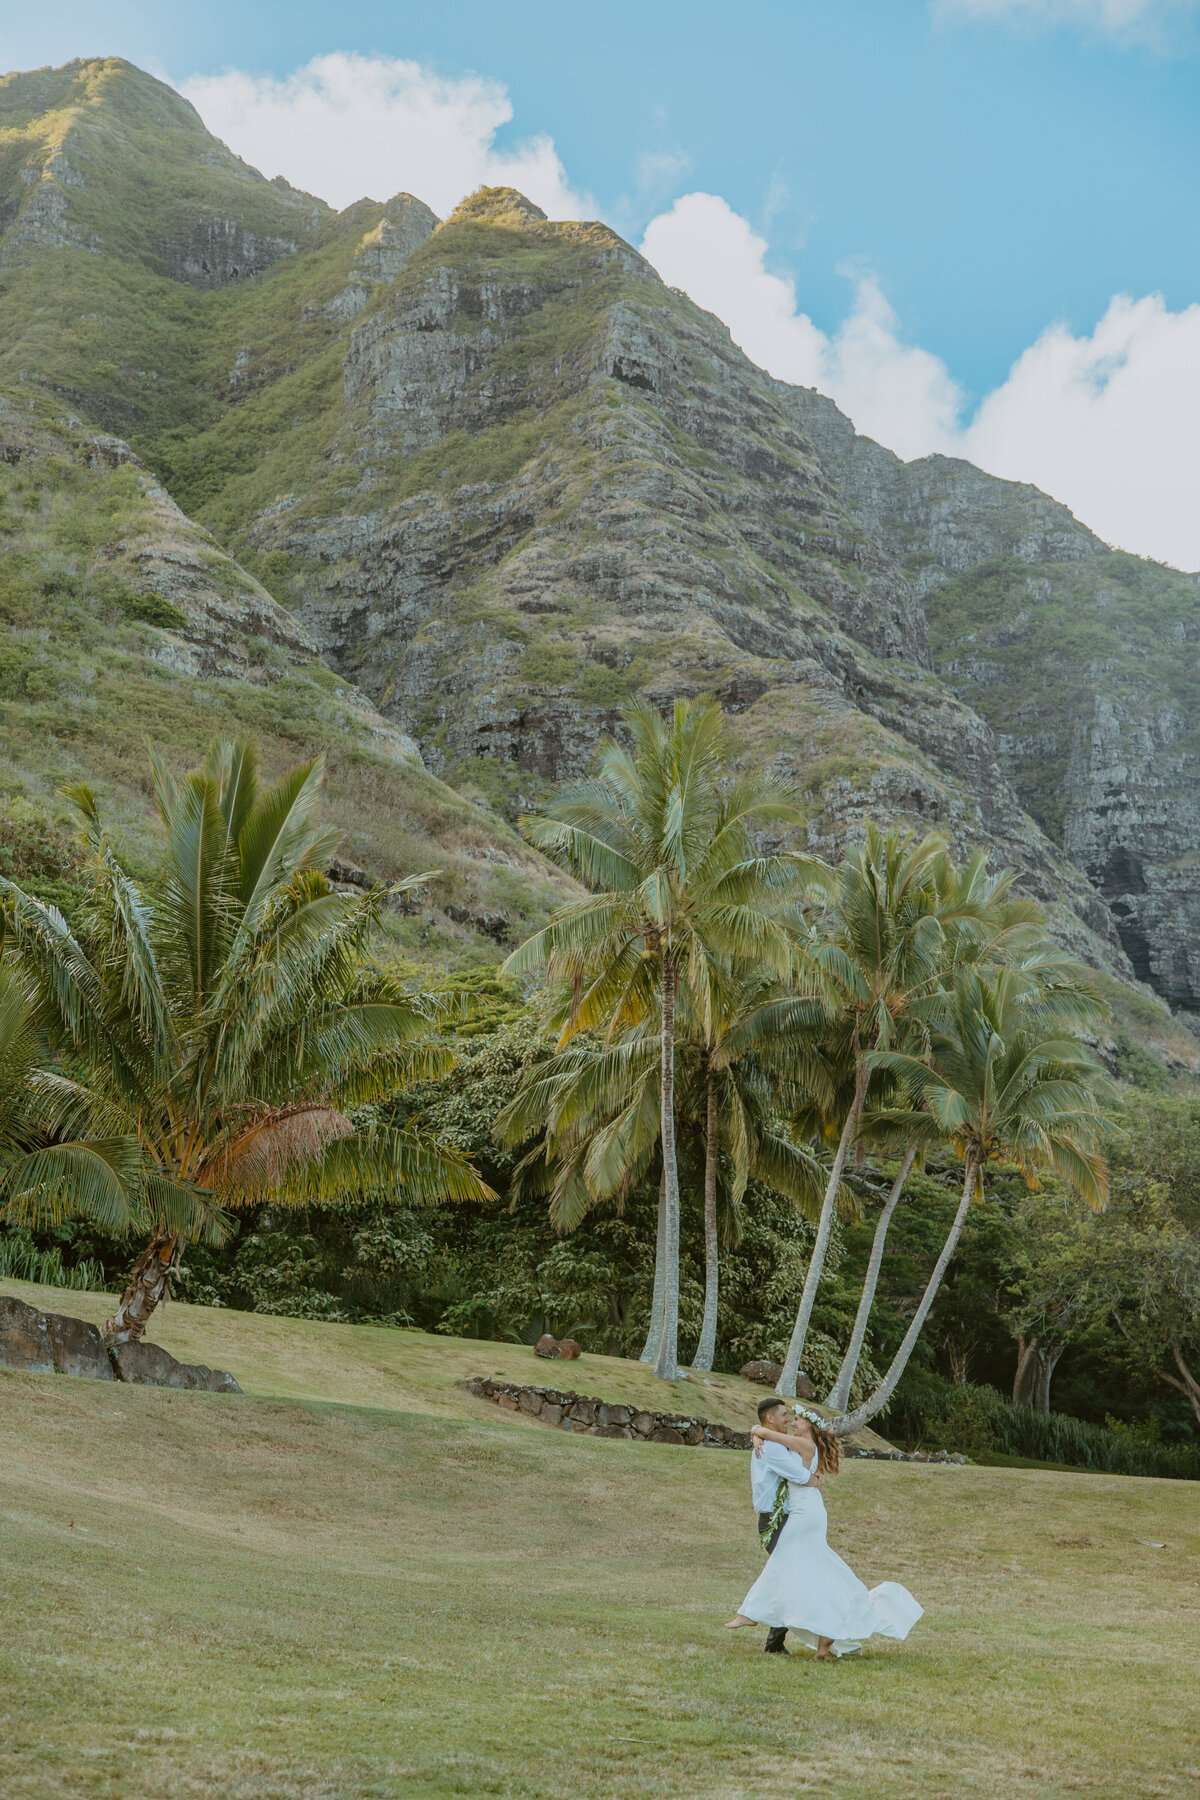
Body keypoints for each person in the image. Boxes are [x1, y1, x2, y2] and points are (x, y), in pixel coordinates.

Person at [726, 1404, 923, 1660]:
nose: (792, 1422)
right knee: (809, 1572)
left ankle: (752, 1616)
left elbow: (793, 1468)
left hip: (803, 1514)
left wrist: (760, 1432)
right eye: (788, 1417)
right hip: (803, 1511)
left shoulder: (804, 1446)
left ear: (808, 1424)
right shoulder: (796, 1444)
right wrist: (756, 1432)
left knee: (785, 1565)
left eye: (796, 1419)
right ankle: (823, 1639)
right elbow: (774, 1441)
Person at [746, 1396, 826, 1655]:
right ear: (770, 1418)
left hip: (786, 1518)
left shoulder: (775, 1443)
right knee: (790, 1576)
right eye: (783, 1414)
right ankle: (770, 1637)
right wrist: (813, 1480)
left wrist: (756, 1432)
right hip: (773, 1520)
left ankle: (775, 1642)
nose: (788, 1419)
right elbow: (797, 1475)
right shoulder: (772, 1447)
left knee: (792, 1577)